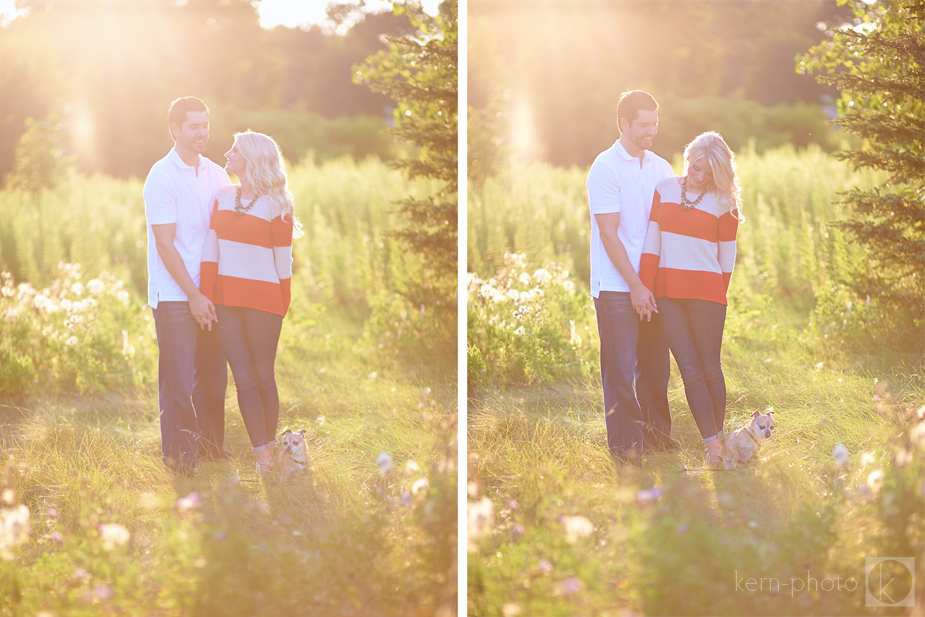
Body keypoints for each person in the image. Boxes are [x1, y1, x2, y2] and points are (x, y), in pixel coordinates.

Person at [200, 131, 301, 474]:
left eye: (235, 150)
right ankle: (264, 458)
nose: (227, 154)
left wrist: (280, 304)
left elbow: (282, 261)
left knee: (263, 377)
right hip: (226, 300)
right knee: (242, 378)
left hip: (264, 302)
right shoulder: (223, 197)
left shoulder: (279, 204)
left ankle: (271, 449)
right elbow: (211, 249)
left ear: (252, 159)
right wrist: (206, 293)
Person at [639, 131, 742, 466]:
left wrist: (714, 293)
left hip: (707, 295)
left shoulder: (725, 202)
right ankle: (713, 446)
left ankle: (719, 435)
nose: (700, 177)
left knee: (710, 367)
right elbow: (652, 242)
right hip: (667, 293)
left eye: (709, 173)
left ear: (719, 173)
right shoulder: (665, 189)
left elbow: (727, 257)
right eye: (697, 168)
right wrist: (645, 286)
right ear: (689, 160)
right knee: (689, 369)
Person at [586, 90, 676, 462]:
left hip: (652, 284)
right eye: (643, 125)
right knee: (620, 369)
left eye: (655, 124)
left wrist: (656, 284)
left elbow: (670, 226)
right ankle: (626, 446)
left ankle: (656, 437)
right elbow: (609, 233)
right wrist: (636, 286)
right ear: (623, 124)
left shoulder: (662, 168)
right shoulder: (605, 167)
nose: (651, 131)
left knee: (656, 365)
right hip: (616, 287)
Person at [144, 96, 231, 473]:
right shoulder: (161, 176)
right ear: (175, 129)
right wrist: (193, 295)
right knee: (179, 379)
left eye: (205, 125)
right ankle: (180, 457)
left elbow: (226, 231)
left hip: (210, 292)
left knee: (213, 374)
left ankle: (211, 448)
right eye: (194, 126)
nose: (202, 133)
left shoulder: (216, 174)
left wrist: (212, 292)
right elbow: (165, 243)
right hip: (175, 296)